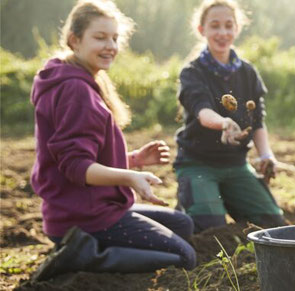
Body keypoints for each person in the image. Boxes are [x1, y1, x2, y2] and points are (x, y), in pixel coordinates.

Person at [29, 0, 196, 281]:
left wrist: (133, 160)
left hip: (79, 208)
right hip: (84, 216)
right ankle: (82, 254)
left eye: (115, 38)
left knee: (182, 224)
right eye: (100, 37)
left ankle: (79, 244)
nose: (111, 46)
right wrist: (130, 176)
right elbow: (76, 166)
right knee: (184, 257)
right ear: (75, 40)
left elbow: (86, 157)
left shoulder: (77, 78)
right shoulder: (75, 90)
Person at [174, 0, 286, 233]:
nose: (222, 33)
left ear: (237, 28)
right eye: (215, 26)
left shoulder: (247, 72)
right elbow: (202, 111)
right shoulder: (192, 72)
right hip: (198, 162)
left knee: (271, 223)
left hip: (236, 164)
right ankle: (192, 199)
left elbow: (257, 120)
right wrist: (223, 122)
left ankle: (222, 195)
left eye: (228, 26)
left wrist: (266, 154)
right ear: (202, 30)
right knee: (209, 230)